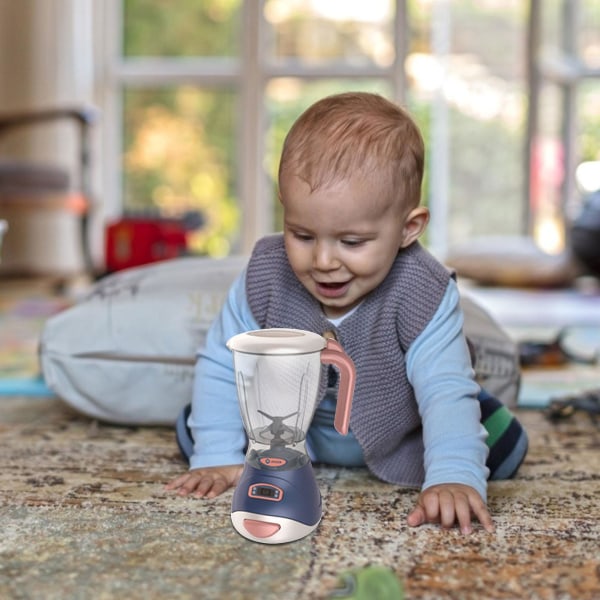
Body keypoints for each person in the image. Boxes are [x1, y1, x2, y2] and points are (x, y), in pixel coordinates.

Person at [166, 92, 528, 534]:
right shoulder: (265, 276)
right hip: (293, 434)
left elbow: (443, 389)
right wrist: (217, 456)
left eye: (352, 243)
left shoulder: (424, 292)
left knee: (496, 443)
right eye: (301, 235)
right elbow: (224, 363)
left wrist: (453, 476)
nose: (323, 260)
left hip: (402, 431)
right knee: (196, 424)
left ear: (408, 229)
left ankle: (465, 450)